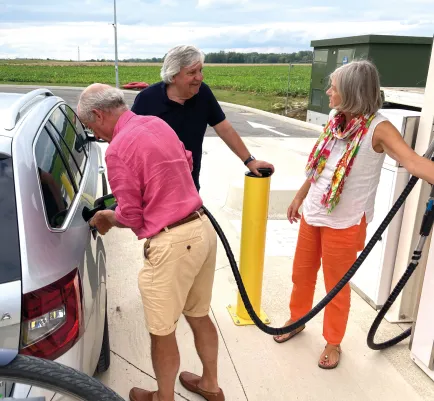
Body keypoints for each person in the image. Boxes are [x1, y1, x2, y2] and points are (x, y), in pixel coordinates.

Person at [273, 60, 434, 369]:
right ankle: (297, 319)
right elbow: (323, 167)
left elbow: (413, 163)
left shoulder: (379, 128)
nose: (328, 90)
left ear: (351, 91)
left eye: (333, 86)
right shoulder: (337, 119)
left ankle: (333, 343)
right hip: (314, 213)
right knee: (302, 274)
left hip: (344, 222)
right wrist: (300, 195)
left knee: (336, 286)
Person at [77, 83, 225, 401]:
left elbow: (129, 215)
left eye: (92, 127)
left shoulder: (117, 150)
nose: (97, 135)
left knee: (162, 331)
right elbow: (186, 161)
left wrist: (105, 218)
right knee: (199, 315)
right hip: (201, 229)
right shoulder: (156, 124)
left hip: (172, 244)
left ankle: (163, 398)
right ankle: (211, 385)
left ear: (99, 115)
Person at [131, 44, 274, 191]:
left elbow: (224, 128)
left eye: (200, 70)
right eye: (192, 72)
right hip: (152, 188)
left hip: (189, 186)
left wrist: (250, 161)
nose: (199, 77)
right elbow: (128, 143)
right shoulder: (146, 100)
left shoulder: (203, 94)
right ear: (173, 76)